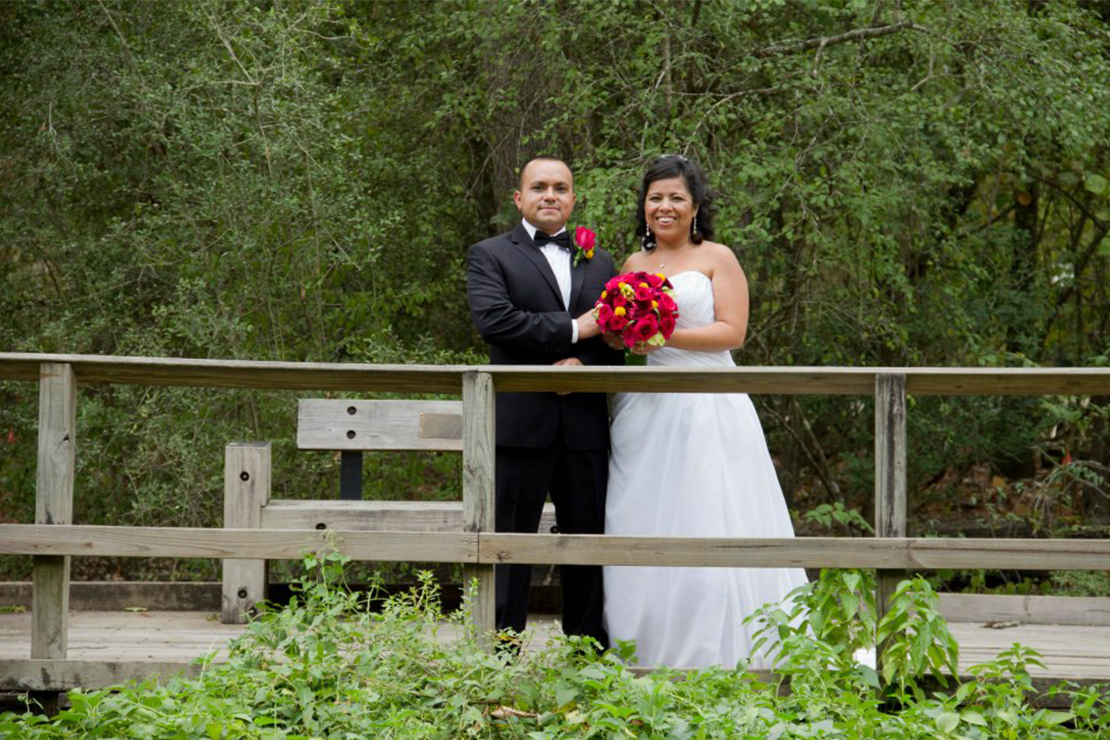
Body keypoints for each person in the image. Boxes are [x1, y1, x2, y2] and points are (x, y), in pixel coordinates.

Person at [602, 155, 808, 669]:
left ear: (695, 207)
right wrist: (619, 333)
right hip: (646, 408)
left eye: (675, 198)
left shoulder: (718, 257)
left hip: (708, 403)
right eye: (655, 198)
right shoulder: (631, 266)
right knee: (641, 515)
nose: (664, 207)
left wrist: (663, 333)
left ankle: (718, 651)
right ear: (643, 206)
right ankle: (642, 646)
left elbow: (732, 331)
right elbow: (617, 335)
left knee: (706, 509)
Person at [467, 156, 624, 649]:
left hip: (585, 424)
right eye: (539, 187)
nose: (550, 195)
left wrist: (587, 367)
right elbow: (497, 321)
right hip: (520, 422)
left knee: (588, 543)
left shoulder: (598, 260)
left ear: (573, 198)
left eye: (560, 187)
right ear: (519, 199)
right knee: (511, 543)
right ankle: (501, 654)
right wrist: (576, 331)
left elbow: (617, 335)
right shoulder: (490, 254)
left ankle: (588, 655)